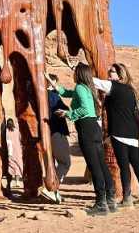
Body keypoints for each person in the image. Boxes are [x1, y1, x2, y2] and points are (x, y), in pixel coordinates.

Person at [53, 63, 116, 215]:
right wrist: (56, 86)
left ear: (79, 74)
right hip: (94, 128)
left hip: (86, 129)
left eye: (75, 72)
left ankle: (100, 203)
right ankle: (110, 200)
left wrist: (67, 114)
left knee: (94, 166)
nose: (73, 74)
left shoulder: (81, 88)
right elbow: (70, 93)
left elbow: (84, 110)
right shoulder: (87, 88)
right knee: (101, 164)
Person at [93, 63, 139, 208]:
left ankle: (127, 199)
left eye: (111, 71)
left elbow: (94, 81)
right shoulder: (132, 90)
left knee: (124, 165)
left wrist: (77, 70)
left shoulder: (113, 86)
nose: (109, 73)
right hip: (133, 132)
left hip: (119, 132)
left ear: (119, 74)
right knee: (136, 163)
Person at [44, 73, 71, 204]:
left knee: (53, 166)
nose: (56, 85)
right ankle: (51, 188)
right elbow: (63, 109)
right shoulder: (52, 95)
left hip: (48, 132)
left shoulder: (44, 95)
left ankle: (55, 194)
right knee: (65, 162)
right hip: (56, 131)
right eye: (54, 82)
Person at [4, 118, 23, 193]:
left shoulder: (6, 132)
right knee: (17, 165)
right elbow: (21, 139)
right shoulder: (17, 131)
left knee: (12, 166)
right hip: (17, 150)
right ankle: (17, 181)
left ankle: (10, 183)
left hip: (10, 151)